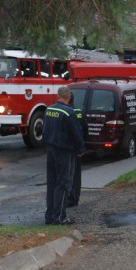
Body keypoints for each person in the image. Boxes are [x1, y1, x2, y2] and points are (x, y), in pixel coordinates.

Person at [42, 86, 85, 225]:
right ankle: (59, 217)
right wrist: (80, 149)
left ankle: (50, 216)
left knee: (52, 184)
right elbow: (76, 134)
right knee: (63, 184)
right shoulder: (68, 112)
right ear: (69, 97)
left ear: (58, 95)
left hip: (50, 151)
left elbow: (44, 132)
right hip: (64, 152)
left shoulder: (49, 110)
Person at [67, 92, 88, 207]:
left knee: (67, 173)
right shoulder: (79, 112)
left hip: (67, 148)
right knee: (76, 175)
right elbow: (85, 130)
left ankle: (69, 198)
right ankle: (75, 197)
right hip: (77, 148)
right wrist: (82, 146)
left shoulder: (66, 113)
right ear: (73, 100)